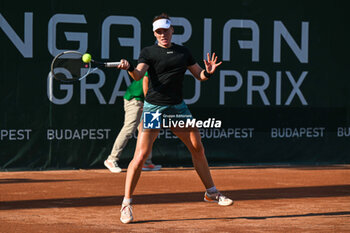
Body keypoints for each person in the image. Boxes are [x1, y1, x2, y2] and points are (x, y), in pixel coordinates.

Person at [117, 13, 233, 224]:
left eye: (166, 30)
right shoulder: (148, 52)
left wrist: (209, 72)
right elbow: (137, 74)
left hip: (177, 108)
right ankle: (126, 203)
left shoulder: (183, 52)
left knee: (198, 147)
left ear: (172, 30)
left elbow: (200, 75)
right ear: (154, 33)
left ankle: (211, 193)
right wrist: (129, 68)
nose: (163, 34)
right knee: (141, 156)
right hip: (154, 109)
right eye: (159, 31)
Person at [104, 72, 162, 173]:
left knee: (149, 130)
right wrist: (149, 103)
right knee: (129, 129)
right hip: (136, 100)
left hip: (150, 102)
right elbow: (145, 81)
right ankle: (111, 159)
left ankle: (146, 162)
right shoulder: (155, 63)